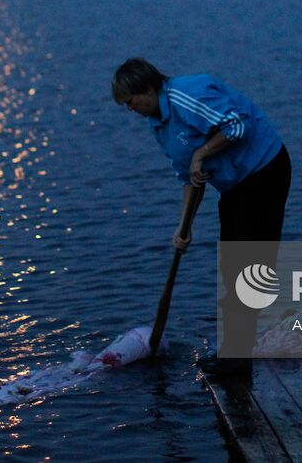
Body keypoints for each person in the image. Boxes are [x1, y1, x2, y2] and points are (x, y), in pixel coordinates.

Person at [112, 57, 290, 367]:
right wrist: (184, 227)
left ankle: (243, 353)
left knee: (251, 265)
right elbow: (189, 177)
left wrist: (201, 153)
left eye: (130, 102)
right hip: (233, 185)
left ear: (147, 88)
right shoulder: (159, 125)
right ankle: (236, 352)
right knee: (232, 265)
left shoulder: (187, 94)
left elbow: (238, 125)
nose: (129, 110)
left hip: (264, 170)